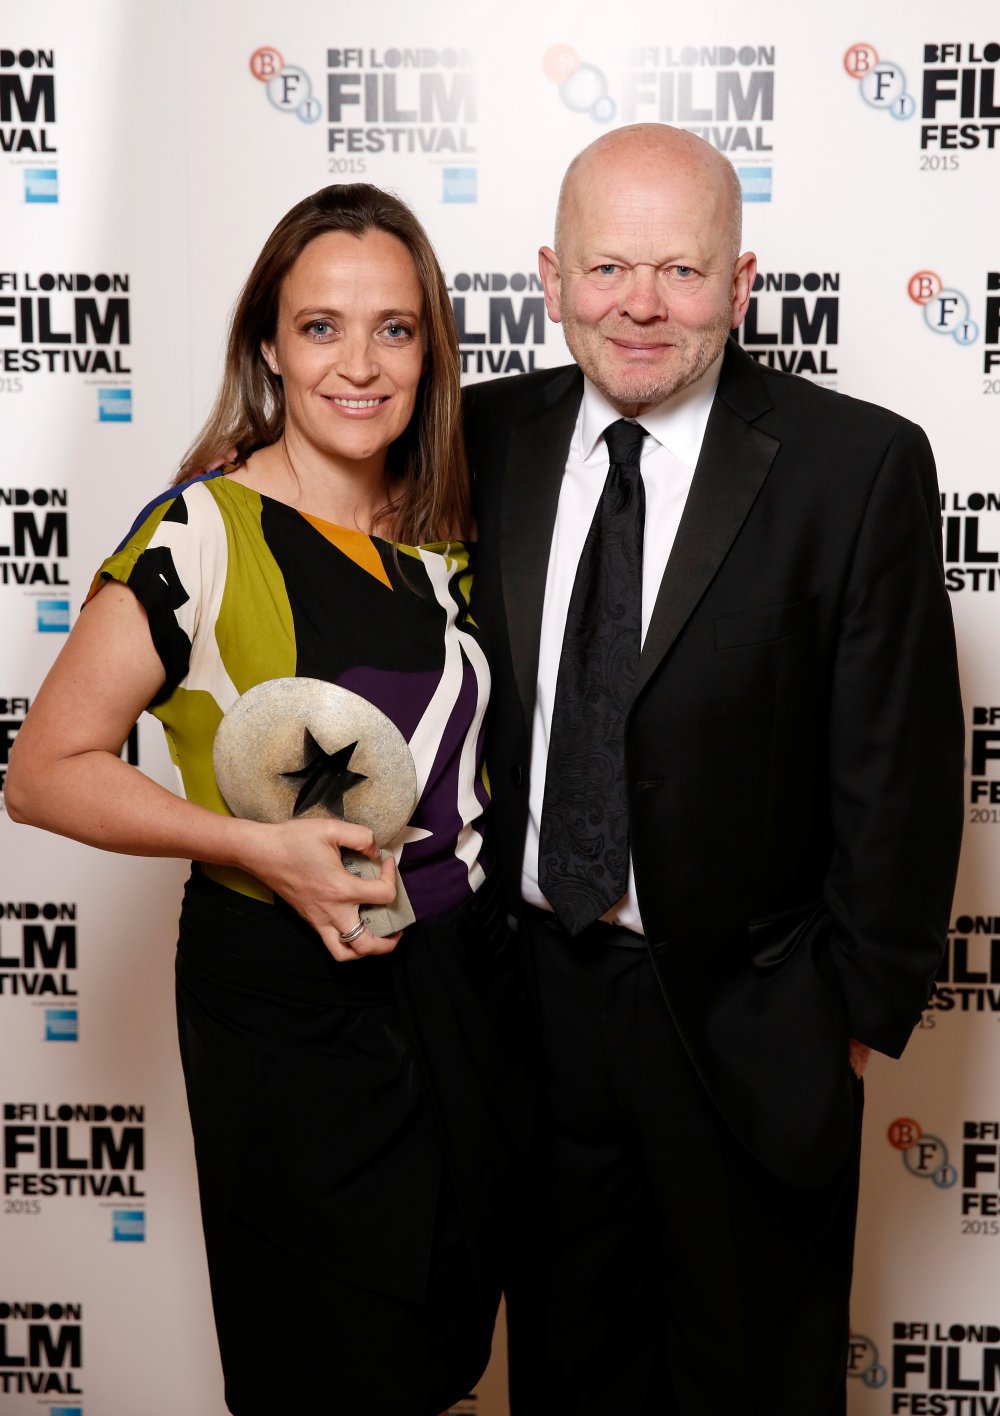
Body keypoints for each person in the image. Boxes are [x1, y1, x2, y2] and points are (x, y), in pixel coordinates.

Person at [6, 183, 531, 1416]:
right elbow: (44, 771)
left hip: (465, 993)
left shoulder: (453, 533)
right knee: (329, 1369)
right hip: (291, 1018)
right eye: (321, 328)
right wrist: (255, 844)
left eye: (395, 329)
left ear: (431, 351)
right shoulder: (202, 531)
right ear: (268, 348)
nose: (360, 364)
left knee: (445, 1357)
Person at [464, 123, 964, 1415]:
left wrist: (848, 1015)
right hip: (532, 1007)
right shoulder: (474, 438)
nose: (641, 304)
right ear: (549, 275)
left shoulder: (856, 466)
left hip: (754, 1024)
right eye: (609, 266)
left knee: (756, 1380)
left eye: (683, 272)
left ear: (741, 287)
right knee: (568, 1374)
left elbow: (900, 768)